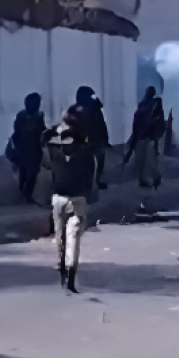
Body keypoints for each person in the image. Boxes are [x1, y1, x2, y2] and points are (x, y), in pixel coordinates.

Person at [42, 104, 98, 294]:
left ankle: (63, 273)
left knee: (61, 239)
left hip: (59, 197)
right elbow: (91, 176)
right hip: (78, 199)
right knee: (73, 237)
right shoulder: (86, 150)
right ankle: (71, 276)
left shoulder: (53, 147)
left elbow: (44, 148)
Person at [124, 86, 166, 188]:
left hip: (143, 137)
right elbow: (159, 123)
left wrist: (132, 144)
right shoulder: (155, 105)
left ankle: (147, 178)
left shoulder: (144, 106)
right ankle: (153, 177)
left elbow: (136, 125)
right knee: (150, 159)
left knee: (144, 160)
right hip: (149, 136)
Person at [11, 93, 46, 203]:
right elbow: (17, 134)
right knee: (25, 171)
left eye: (37, 103)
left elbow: (42, 131)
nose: (36, 106)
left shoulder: (39, 117)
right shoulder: (22, 117)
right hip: (23, 149)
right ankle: (22, 192)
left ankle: (27, 193)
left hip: (35, 150)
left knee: (32, 172)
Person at [75, 86, 110, 190]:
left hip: (97, 140)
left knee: (98, 163)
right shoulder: (83, 110)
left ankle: (94, 182)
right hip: (92, 141)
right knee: (90, 164)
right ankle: (91, 183)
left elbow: (101, 123)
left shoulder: (94, 108)